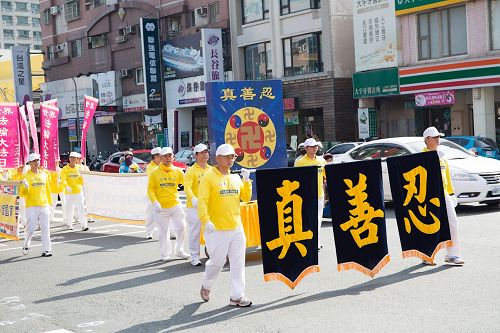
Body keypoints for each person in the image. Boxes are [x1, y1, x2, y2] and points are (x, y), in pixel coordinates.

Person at [198, 143, 252, 307]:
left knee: (238, 262)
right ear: (218, 158)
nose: (231, 160)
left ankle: (236, 296)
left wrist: (247, 181)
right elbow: (202, 201)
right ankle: (206, 285)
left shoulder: (235, 177)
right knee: (217, 262)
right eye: (228, 156)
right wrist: (206, 220)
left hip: (236, 227)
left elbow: (246, 198)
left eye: (233, 156)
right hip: (216, 229)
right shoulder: (209, 176)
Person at [422, 126, 465, 265]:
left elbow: (447, 177)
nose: (438, 139)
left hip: (444, 194)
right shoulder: (421, 157)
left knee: (453, 223)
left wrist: (451, 195)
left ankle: (452, 255)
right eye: (435, 137)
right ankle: (427, 254)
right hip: (428, 196)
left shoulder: (442, 156)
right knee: (430, 226)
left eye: (439, 137)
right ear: (427, 140)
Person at [147, 147, 189, 261]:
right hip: (160, 207)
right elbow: (150, 190)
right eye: (165, 156)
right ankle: (165, 253)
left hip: (175, 204)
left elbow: (186, 185)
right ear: (160, 158)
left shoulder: (178, 171)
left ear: (173, 157)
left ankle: (179, 250)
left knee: (182, 227)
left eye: (170, 155)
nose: (168, 158)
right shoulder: (154, 173)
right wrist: (155, 202)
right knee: (163, 231)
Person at [294, 138, 326, 251]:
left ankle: (316, 242)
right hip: (306, 195)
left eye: (316, 146)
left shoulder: (321, 161)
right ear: (306, 148)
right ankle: (309, 241)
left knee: (318, 219)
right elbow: (296, 180)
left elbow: (325, 178)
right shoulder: (300, 162)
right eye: (312, 146)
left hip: (319, 194)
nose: (315, 148)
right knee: (307, 218)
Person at [184, 143, 212, 266]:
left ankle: (211, 253)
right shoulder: (191, 171)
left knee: (210, 231)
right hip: (194, 207)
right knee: (195, 232)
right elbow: (187, 188)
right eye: (202, 152)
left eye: (206, 152)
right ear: (196, 155)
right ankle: (194, 257)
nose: (205, 154)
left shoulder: (211, 169)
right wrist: (193, 199)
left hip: (209, 206)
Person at [20, 153, 53, 257]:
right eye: (34, 161)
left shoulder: (44, 174)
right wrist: (24, 186)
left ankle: (46, 250)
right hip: (31, 205)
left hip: (44, 204)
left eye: (37, 160)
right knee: (31, 228)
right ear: (29, 163)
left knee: (45, 228)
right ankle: (26, 244)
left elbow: (47, 189)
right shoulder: (26, 176)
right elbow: (23, 193)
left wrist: (50, 203)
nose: (36, 162)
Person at [61, 152, 89, 231]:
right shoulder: (65, 169)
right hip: (69, 193)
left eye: (74, 158)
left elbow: (82, 180)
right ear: (69, 159)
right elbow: (63, 180)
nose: (73, 159)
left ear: (76, 159)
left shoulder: (79, 168)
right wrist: (66, 186)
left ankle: (84, 225)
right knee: (69, 208)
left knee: (82, 208)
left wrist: (84, 179)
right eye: (71, 158)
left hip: (78, 191)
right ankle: (69, 224)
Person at [144, 147, 161, 239]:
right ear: (155, 157)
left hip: (163, 193)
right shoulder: (150, 167)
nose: (161, 158)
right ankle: (149, 232)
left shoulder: (164, 165)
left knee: (167, 213)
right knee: (150, 214)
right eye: (159, 156)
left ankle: (171, 232)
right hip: (152, 193)